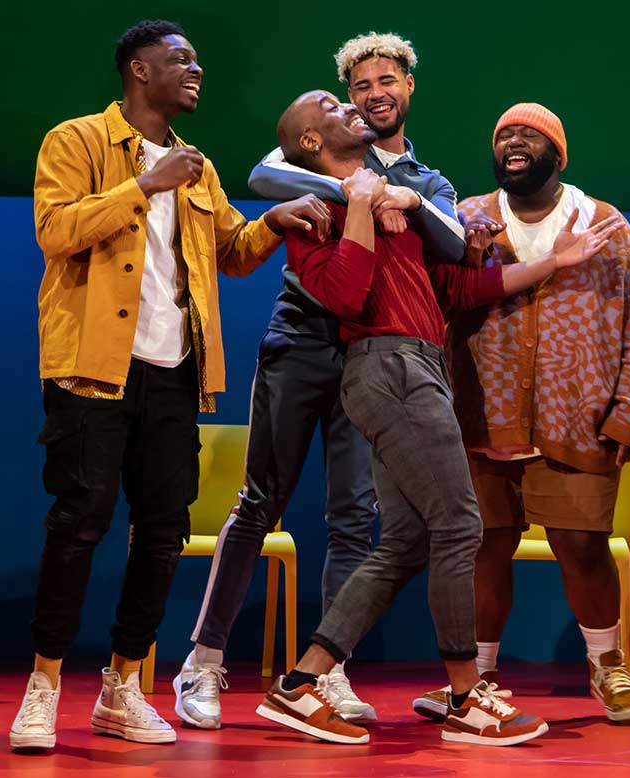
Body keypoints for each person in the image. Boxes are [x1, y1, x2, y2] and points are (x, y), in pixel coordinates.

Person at [253, 90, 622, 746]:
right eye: (331, 104)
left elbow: (454, 288)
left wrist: (551, 264)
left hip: (417, 368)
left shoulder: (392, 198)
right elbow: (342, 294)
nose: (349, 106)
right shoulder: (313, 213)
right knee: (459, 524)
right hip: (387, 369)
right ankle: (464, 694)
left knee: (407, 541)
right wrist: (361, 207)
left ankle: (301, 683)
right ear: (311, 142)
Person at [10, 20, 326, 751]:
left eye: (196, 60)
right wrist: (143, 185)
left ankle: (122, 688)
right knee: (79, 526)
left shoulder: (198, 166)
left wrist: (274, 221)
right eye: (181, 59)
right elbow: (54, 232)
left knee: (160, 535)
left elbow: (233, 254)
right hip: (92, 367)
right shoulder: (77, 141)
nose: (197, 70)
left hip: (176, 371)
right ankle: (45, 686)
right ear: (138, 70)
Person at [174, 31, 464, 731]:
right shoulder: (309, 157)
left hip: (374, 357)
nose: (370, 97)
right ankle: (203, 663)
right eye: (355, 89)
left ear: (408, 87)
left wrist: (398, 195)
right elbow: (265, 176)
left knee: (351, 517)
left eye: (383, 83)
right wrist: (353, 189)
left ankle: (326, 674)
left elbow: (453, 242)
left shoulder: (427, 181)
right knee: (259, 499)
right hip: (303, 342)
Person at [407, 103, 630, 724]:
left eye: (528, 135)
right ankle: (478, 678)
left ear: (557, 153)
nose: (513, 143)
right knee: (483, 547)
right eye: (503, 135)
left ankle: (607, 665)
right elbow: (434, 301)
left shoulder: (603, 223)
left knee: (582, 543)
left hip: (576, 414)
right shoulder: (466, 218)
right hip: (478, 415)